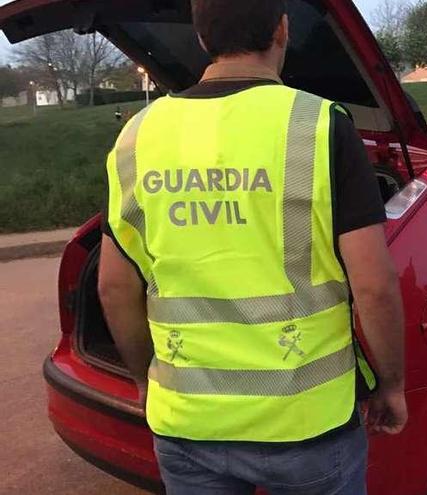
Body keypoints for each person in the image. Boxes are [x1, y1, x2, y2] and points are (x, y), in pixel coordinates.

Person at [97, 0, 407, 493]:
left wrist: (143, 381)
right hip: (305, 424)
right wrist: (391, 384)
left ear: (201, 39)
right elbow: (374, 285)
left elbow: (114, 288)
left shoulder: (138, 136)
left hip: (187, 423)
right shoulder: (320, 126)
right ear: (282, 30)